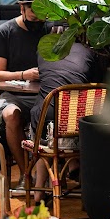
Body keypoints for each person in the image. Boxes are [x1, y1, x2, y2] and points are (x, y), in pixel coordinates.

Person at [0, 0, 47, 183]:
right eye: (34, 13)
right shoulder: (4, 32)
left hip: (43, 94)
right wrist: (24, 75)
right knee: (11, 115)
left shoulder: (49, 30)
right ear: (22, 8)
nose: (38, 19)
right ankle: (25, 174)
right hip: (13, 95)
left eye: (42, 14)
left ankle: (51, 175)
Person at [29, 42, 100, 201]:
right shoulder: (88, 52)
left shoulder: (44, 50)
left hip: (49, 131)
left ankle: (39, 190)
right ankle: (73, 164)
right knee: (60, 116)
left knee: (43, 122)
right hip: (80, 131)